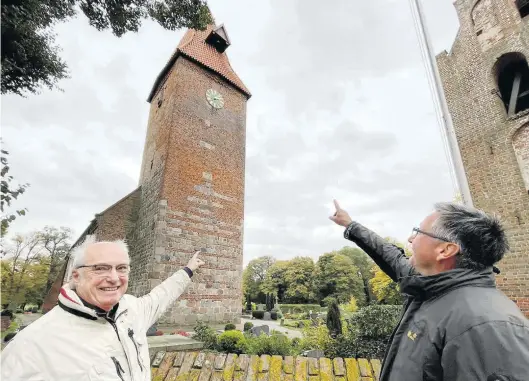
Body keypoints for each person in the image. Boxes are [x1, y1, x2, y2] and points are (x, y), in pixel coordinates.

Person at [330, 200, 529, 381]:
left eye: (418, 232)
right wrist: (351, 225)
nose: (410, 239)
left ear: (445, 250)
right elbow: (391, 256)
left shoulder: (486, 326)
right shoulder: (430, 287)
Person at [1, 235, 205, 381]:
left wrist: (188, 270)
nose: (114, 278)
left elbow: (162, 295)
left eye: (121, 268)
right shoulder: (31, 346)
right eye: (101, 268)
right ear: (76, 276)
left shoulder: (132, 310)